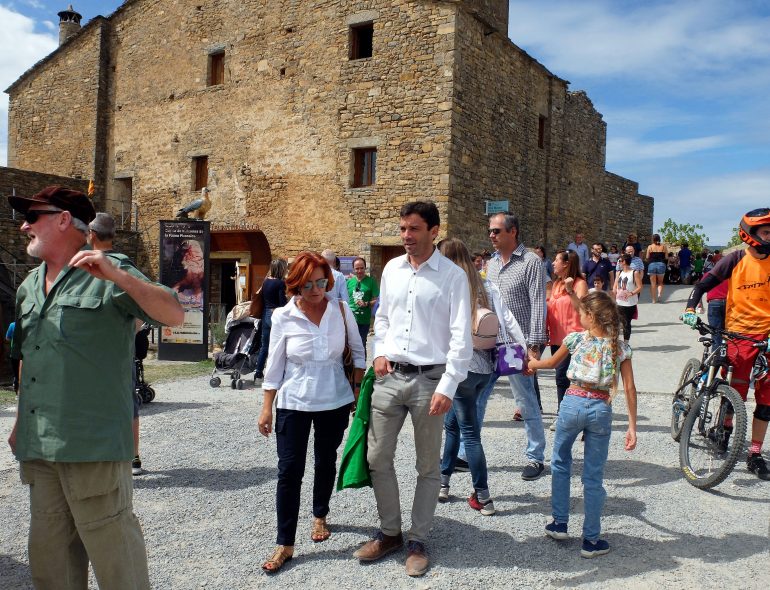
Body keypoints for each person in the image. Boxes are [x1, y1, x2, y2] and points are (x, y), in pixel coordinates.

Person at [7, 185, 184, 588]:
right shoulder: (28, 287)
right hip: (41, 444)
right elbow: (27, 360)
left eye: (32, 218)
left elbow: (173, 312)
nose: (23, 227)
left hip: (94, 444)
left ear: (64, 219)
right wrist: (20, 423)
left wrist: (117, 275)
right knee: (50, 561)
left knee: (115, 561)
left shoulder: (109, 269)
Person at [353, 201, 472, 577]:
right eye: (403, 228)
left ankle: (418, 540)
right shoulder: (391, 269)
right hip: (391, 377)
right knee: (376, 458)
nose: (406, 236)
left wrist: (448, 386)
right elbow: (384, 317)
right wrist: (378, 352)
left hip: (430, 381)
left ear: (434, 231)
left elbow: (460, 338)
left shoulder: (452, 277)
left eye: (414, 229)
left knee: (427, 465)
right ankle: (390, 532)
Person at [257, 251, 365, 573]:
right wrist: (266, 407)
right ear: (295, 285)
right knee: (289, 470)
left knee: (325, 459)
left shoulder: (340, 310)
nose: (317, 290)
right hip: (294, 401)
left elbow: (358, 353)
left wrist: (358, 390)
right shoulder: (283, 317)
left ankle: (320, 514)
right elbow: (274, 365)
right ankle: (284, 543)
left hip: (334, 399)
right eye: (308, 285)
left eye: (322, 282)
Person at [528, 291, 637, 558]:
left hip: (572, 403)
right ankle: (591, 539)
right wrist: (632, 426)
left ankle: (560, 523)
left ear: (591, 316)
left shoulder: (576, 340)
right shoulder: (620, 348)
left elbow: (551, 363)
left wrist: (531, 363)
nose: (578, 317)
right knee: (593, 475)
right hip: (600, 408)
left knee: (561, 462)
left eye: (581, 313)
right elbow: (630, 388)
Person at [437, 238, 525, 516]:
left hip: (461, 369)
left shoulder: (451, 285)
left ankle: (483, 496)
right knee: (452, 425)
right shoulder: (487, 285)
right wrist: (524, 352)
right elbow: (508, 319)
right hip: (486, 368)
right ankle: (443, 481)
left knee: (470, 434)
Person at [683, 208, 770, 480]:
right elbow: (703, 284)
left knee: (767, 402)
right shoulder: (735, 259)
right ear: (750, 234)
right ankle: (726, 430)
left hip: (767, 339)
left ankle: (754, 454)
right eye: (767, 232)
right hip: (739, 336)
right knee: (736, 395)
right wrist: (690, 308)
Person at [486, 212, 548, 480]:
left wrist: (533, 348)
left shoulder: (531, 262)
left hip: (516, 346)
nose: (491, 235)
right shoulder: (491, 265)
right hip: (489, 344)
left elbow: (538, 305)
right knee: (476, 398)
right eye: (490, 231)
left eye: (496, 231)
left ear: (513, 232)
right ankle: (465, 452)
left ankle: (535, 457)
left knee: (525, 401)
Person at [88, 212, 145, 476]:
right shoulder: (126, 269)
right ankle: (131, 456)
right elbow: (143, 315)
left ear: (91, 236)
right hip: (120, 352)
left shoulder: (89, 267)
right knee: (126, 404)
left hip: (96, 354)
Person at [547, 250, 589, 422]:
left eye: (556, 260)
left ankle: (564, 415)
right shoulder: (556, 284)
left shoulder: (580, 284)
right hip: (557, 338)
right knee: (561, 377)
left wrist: (571, 291)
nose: (553, 263)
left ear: (566, 264)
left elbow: (583, 310)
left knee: (565, 377)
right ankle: (565, 413)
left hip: (574, 340)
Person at [254, 259, 289, 380]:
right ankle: (276, 374)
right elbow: (282, 303)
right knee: (279, 347)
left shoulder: (266, 282)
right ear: (281, 269)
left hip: (265, 314)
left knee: (265, 346)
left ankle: (258, 373)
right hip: (276, 315)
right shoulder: (280, 283)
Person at [346, 256, 379, 357]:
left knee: (361, 344)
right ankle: (350, 368)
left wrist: (367, 304)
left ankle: (361, 369)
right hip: (350, 319)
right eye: (357, 268)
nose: (359, 271)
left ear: (365, 268)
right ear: (353, 269)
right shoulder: (349, 282)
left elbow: (377, 300)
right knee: (349, 344)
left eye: (361, 268)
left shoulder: (371, 281)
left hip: (364, 320)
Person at [614, 254, 642, 342]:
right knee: (615, 323)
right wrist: (614, 291)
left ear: (624, 262)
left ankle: (626, 343)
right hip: (619, 302)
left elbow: (640, 287)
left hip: (629, 303)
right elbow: (615, 285)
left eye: (620, 261)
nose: (618, 263)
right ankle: (615, 342)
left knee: (626, 323)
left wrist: (631, 293)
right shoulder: (619, 272)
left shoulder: (634, 273)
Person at [644, 233, 668, 303]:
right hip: (661, 264)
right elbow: (666, 257)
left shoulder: (650, 247)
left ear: (653, 239)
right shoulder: (664, 247)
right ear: (659, 239)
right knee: (660, 282)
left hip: (652, 265)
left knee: (653, 284)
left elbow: (647, 257)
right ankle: (659, 294)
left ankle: (654, 299)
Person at [5, 321, 19, 395]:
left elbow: (7, 338)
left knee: (16, 373)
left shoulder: (12, 325)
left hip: (15, 352)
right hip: (27, 353)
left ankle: (17, 391)